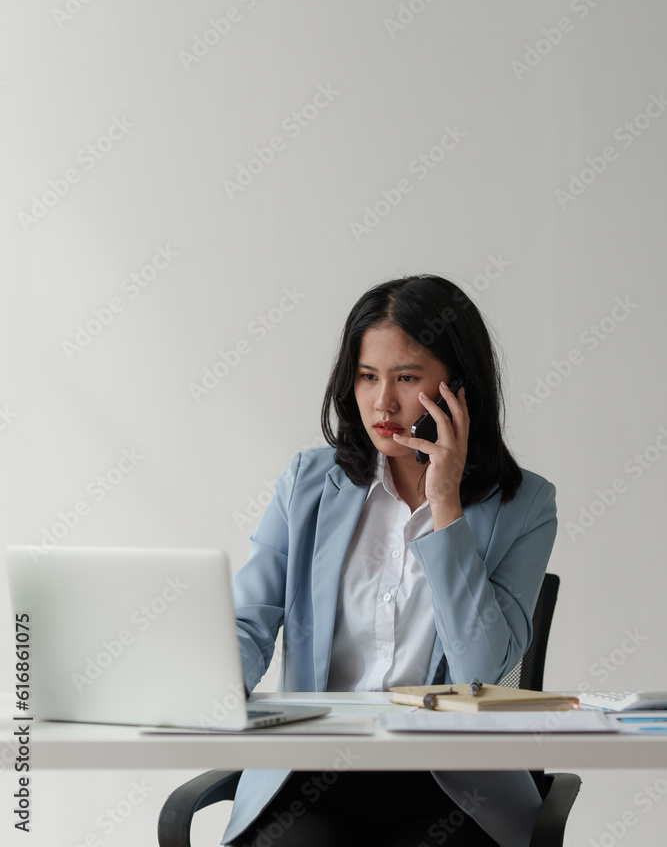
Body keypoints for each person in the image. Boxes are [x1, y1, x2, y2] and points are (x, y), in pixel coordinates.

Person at [223, 274, 557, 847]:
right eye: (367, 376)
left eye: (406, 378)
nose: (383, 402)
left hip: (453, 786)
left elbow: (479, 674)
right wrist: (211, 687)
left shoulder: (524, 505)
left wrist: (445, 504)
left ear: (459, 387)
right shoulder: (307, 483)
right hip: (311, 774)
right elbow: (247, 623)